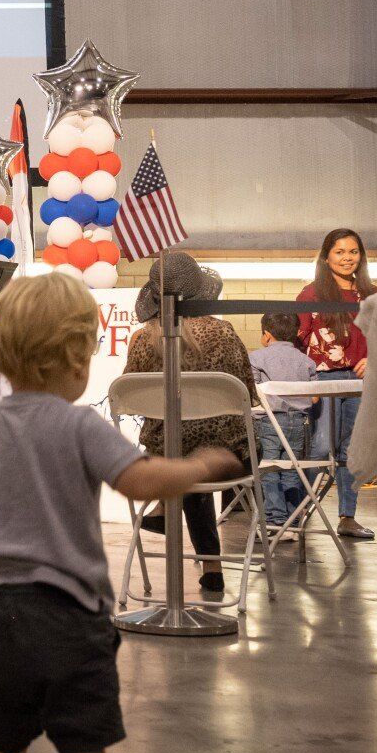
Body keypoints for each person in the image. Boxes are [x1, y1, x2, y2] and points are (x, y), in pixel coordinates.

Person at [0, 273, 241, 753]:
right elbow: (140, 482)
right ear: (76, 361)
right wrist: (196, 467)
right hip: (71, 613)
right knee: (81, 741)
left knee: (1, 735)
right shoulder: (79, 426)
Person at [122, 252, 255, 600]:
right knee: (200, 452)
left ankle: (167, 507)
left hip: (164, 461)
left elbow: (128, 397)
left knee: (181, 452)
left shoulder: (142, 341)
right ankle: (212, 569)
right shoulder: (225, 334)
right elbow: (248, 395)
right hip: (225, 462)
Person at [297, 227, 377, 540]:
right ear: (327, 256)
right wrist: (305, 383)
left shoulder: (371, 294)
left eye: (353, 251)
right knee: (318, 448)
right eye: (340, 252)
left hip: (359, 383)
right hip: (324, 380)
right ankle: (297, 512)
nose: (348, 258)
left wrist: (374, 360)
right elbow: (298, 341)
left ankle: (348, 517)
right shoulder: (311, 294)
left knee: (351, 450)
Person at [249, 311, 320, 536]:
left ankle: (275, 521)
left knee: (269, 469)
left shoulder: (257, 358)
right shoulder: (306, 361)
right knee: (292, 469)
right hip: (298, 422)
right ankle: (292, 520)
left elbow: (255, 392)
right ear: (297, 333)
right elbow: (315, 396)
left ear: (267, 336)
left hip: (269, 421)